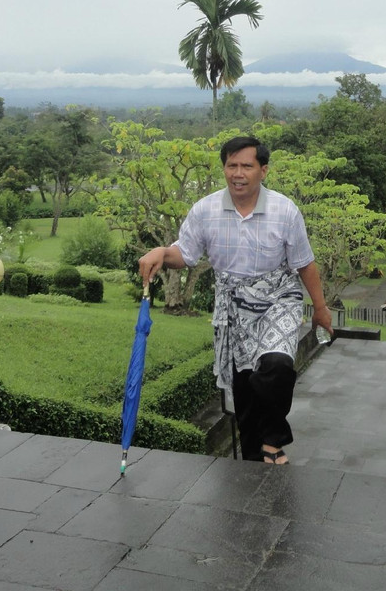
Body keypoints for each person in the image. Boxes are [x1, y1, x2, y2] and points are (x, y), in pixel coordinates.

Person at [139, 136, 333, 466]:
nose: (238, 173)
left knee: (277, 365)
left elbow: (304, 263)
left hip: (278, 299)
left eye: (247, 166)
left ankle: (274, 439)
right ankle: (255, 464)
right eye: (232, 166)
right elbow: (184, 254)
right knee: (244, 395)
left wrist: (320, 307)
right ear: (224, 168)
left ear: (263, 171)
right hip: (232, 308)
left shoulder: (285, 211)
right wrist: (161, 252)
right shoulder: (205, 210)